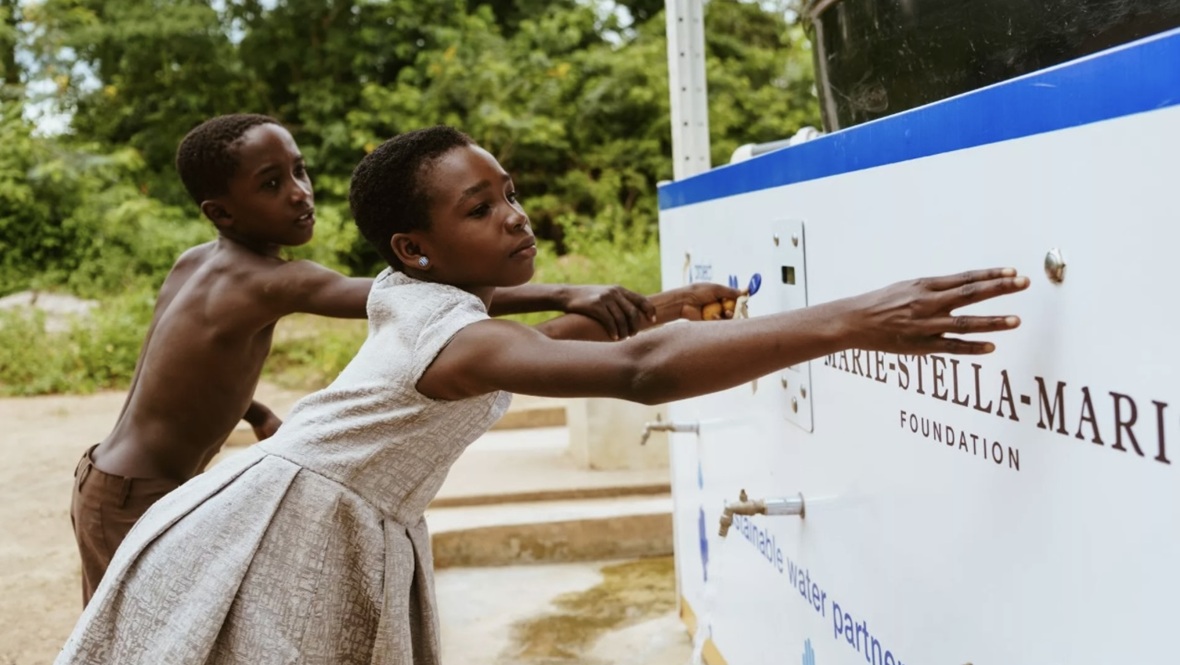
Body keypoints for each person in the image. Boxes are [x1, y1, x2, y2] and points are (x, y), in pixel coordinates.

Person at [56, 125, 1028, 664]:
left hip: (315, 512)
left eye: (509, 191)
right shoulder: (429, 315)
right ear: (414, 246)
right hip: (284, 531)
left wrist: (644, 304)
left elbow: (525, 348)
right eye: (478, 208)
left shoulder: (427, 305)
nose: (513, 215)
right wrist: (855, 316)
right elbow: (636, 375)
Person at [68, 113, 704, 608]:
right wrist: (566, 290)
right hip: (139, 495)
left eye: (299, 170)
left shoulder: (197, 262)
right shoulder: (274, 280)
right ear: (221, 212)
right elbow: (415, 294)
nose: (299, 194)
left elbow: (179, 367)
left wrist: (254, 411)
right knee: (146, 635)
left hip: (111, 473)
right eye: (272, 184)